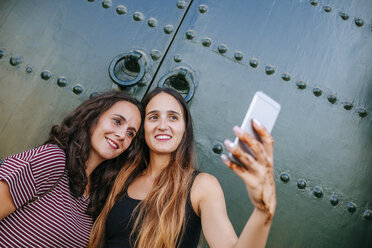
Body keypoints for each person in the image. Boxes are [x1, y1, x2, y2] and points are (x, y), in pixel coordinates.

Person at [88, 87, 277, 248]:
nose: (163, 125)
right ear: (142, 127)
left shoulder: (201, 186)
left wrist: (263, 211)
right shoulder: (121, 176)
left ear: (184, 128)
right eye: (153, 117)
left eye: (173, 117)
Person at [0, 91, 144, 247]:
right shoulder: (52, 159)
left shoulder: (95, 195)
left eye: (130, 133)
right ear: (93, 117)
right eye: (117, 121)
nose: (122, 135)